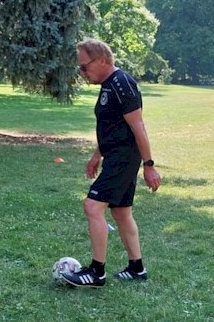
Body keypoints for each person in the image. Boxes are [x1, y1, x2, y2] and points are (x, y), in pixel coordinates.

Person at [61, 38, 161, 288]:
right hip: (116, 155)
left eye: (84, 67)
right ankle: (136, 268)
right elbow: (112, 127)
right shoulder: (108, 85)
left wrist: (149, 165)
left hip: (124, 157)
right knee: (121, 211)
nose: (82, 73)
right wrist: (97, 154)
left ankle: (96, 272)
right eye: (79, 69)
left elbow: (138, 126)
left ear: (103, 60)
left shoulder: (121, 84)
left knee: (92, 206)